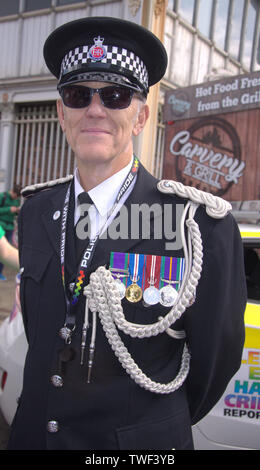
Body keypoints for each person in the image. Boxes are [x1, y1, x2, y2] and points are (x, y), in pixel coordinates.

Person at [7, 17, 246, 451]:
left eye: (115, 96)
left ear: (140, 117)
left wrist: (152, 427)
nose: (95, 110)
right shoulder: (37, 210)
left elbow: (217, 361)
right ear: (62, 112)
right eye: (79, 95)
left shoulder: (198, 227)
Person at [0, 184, 20, 279]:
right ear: (12, 191)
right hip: (2, 224)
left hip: (9, 227)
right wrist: (8, 209)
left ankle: (0, 272)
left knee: (5, 250)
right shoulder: (2, 197)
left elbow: (6, 253)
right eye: (15, 196)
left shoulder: (17, 200)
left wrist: (17, 211)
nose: (15, 198)